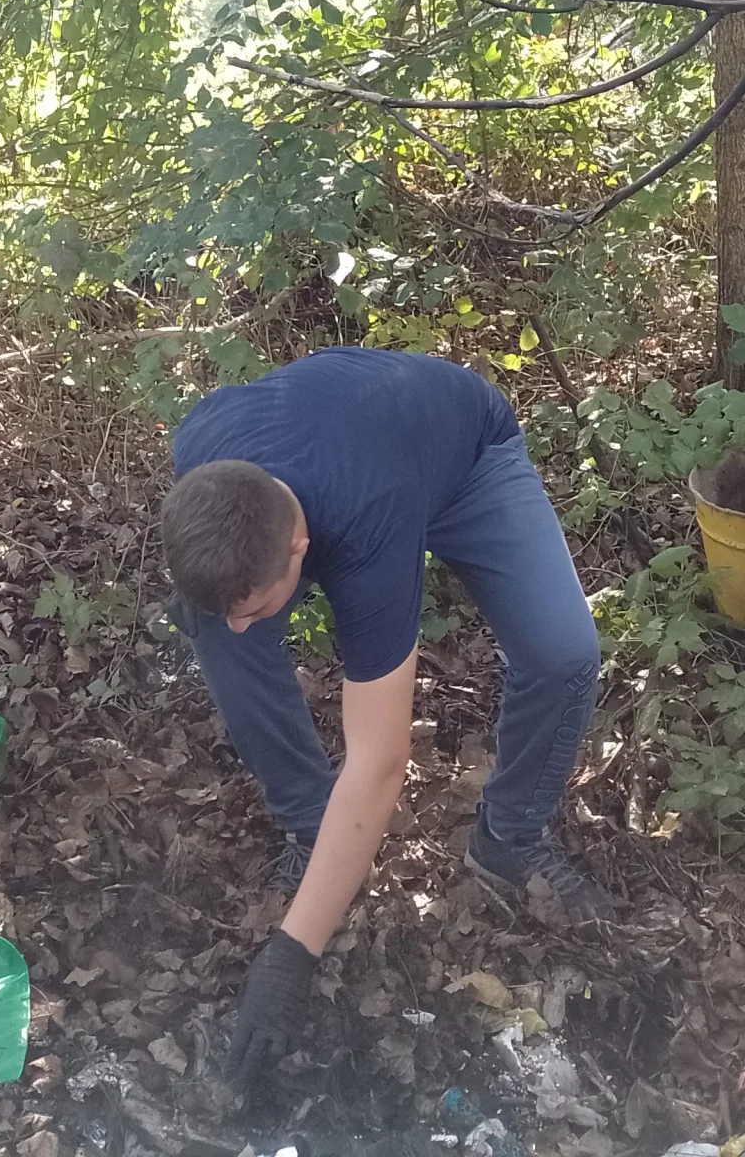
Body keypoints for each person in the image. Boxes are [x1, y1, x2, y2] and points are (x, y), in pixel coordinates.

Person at [157, 347, 606, 1086]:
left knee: (564, 653)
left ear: (300, 549)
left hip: (465, 458)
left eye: (264, 606)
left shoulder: (367, 529)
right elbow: (227, 585)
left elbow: (379, 760)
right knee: (215, 628)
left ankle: (512, 838)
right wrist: (229, 609)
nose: (251, 627)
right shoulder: (201, 454)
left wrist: (291, 956)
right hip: (347, 448)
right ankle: (311, 825)